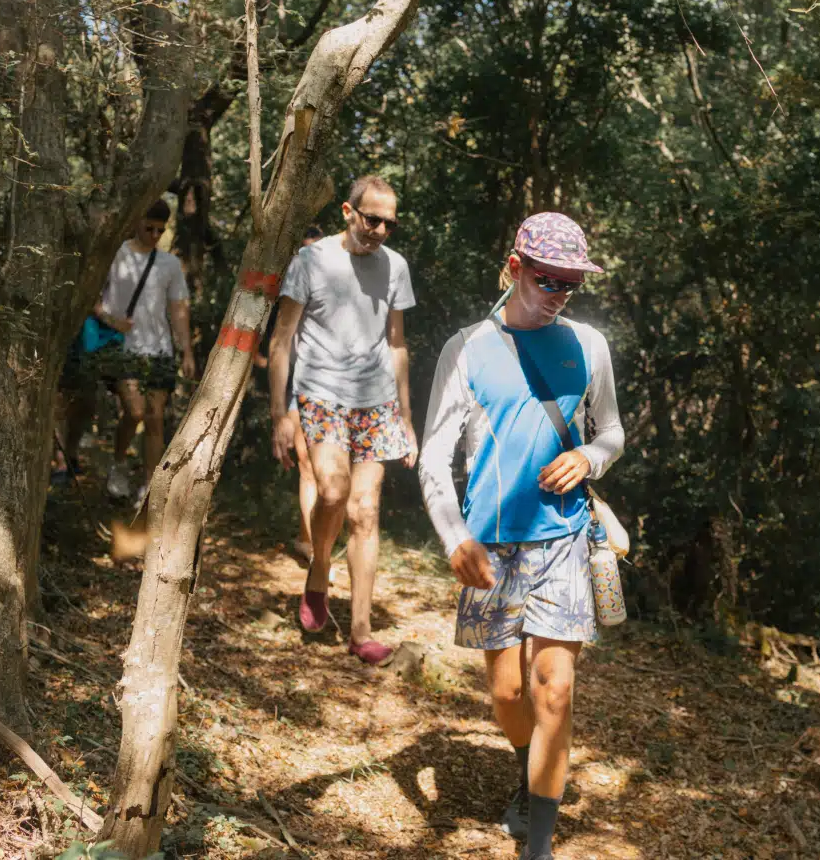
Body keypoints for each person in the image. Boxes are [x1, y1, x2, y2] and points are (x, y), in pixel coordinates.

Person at [418, 212, 624, 860]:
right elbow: (432, 458)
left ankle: (537, 846)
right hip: (489, 549)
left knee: (554, 685)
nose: (558, 293)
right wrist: (454, 538)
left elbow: (612, 432)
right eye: (546, 279)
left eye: (569, 283)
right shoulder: (467, 349)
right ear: (514, 269)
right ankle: (526, 764)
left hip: (562, 538)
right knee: (510, 694)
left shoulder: (590, 346)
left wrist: (591, 458)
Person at [269, 176, 418, 665]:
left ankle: (360, 629)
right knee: (331, 492)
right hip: (321, 395)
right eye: (371, 218)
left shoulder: (395, 267)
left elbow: (396, 343)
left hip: (375, 402)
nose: (379, 230)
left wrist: (407, 418)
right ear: (347, 212)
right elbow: (282, 339)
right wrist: (279, 415)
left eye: (389, 224)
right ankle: (318, 569)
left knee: (366, 510)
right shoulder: (311, 261)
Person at [60, 199, 194, 504]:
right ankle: (118, 465)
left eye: (161, 230)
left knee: (155, 417)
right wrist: (111, 319)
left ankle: (149, 484)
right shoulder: (114, 253)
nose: (154, 234)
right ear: (137, 222)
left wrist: (186, 351)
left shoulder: (169, 264)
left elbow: (179, 309)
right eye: (149, 227)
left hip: (159, 349)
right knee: (134, 412)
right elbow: (88, 296)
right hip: (122, 349)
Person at [256, 225, 323, 563]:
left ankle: (315, 536)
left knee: (331, 474)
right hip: (298, 384)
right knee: (307, 464)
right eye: (303, 249)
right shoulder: (287, 287)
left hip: (334, 388)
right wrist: (277, 408)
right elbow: (275, 336)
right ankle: (311, 543)